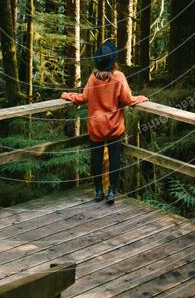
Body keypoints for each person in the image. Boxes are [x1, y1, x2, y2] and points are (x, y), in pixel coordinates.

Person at [61, 40, 149, 205]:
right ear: (113, 61)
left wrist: (68, 95)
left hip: (96, 126)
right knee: (115, 158)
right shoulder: (118, 77)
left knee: (96, 158)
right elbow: (128, 99)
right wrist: (141, 98)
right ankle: (111, 192)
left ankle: (99, 191)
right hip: (114, 126)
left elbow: (83, 98)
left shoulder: (93, 79)